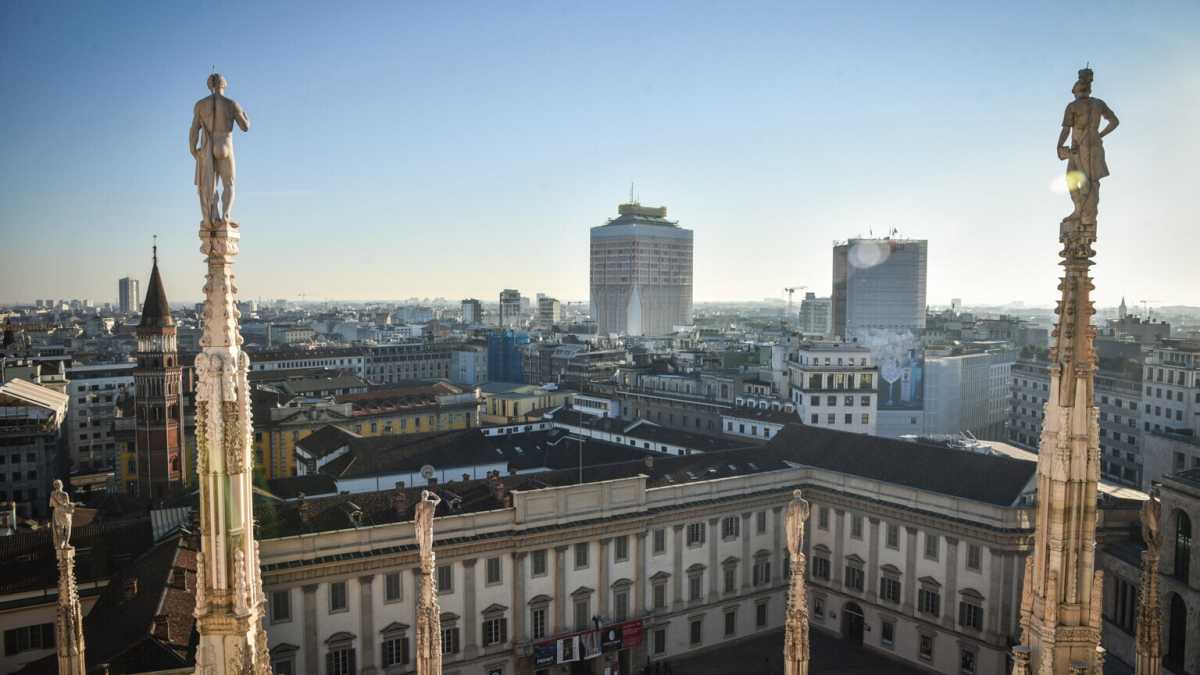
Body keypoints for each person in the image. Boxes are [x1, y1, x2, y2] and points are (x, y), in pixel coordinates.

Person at [1056, 68, 1118, 225]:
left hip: (1079, 147)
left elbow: (1065, 129)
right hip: (1093, 145)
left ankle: (1084, 214)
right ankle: (1082, 212)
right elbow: (1114, 122)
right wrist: (1100, 135)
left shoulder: (1073, 106)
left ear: (1076, 92)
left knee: (1081, 181)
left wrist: (1059, 146)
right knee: (1087, 181)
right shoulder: (1099, 103)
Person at [189, 73, 250, 226]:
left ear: (210, 85)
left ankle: (213, 216)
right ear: (224, 85)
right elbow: (245, 127)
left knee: (210, 185)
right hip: (225, 144)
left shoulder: (201, 105)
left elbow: (193, 131)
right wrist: (245, 115)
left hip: (208, 147)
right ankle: (225, 216)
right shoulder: (232, 104)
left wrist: (193, 149)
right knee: (229, 184)